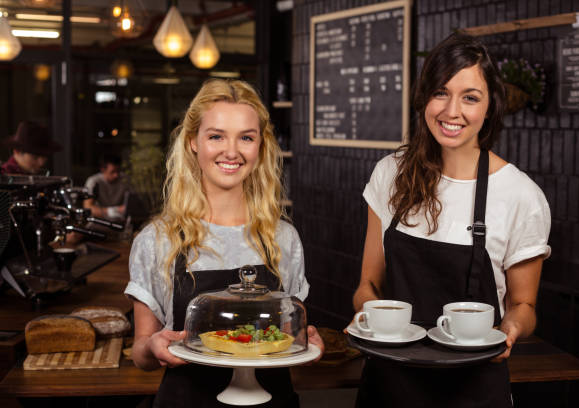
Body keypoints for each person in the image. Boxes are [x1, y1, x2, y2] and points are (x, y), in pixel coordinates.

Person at [352, 33, 551, 407]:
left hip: (474, 388)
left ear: (490, 107)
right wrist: (367, 317)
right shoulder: (390, 174)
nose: (451, 111)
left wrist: (509, 330)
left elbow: (524, 307)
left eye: (470, 97)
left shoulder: (521, 195)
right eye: (440, 92)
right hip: (390, 385)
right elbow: (367, 285)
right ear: (424, 97)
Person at [125, 79, 323, 408]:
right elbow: (140, 353)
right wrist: (153, 346)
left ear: (260, 146)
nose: (231, 151)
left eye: (246, 137)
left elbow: (287, 338)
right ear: (192, 142)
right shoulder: (157, 239)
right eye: (216, 136)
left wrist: (307, 344)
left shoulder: (282, 238)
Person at [84, 154, 129, 221]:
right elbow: (87, 207)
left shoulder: (125, 179)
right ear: (103, 170)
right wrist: (112, 211)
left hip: (121, 220)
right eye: (112, 172)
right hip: (100, 221)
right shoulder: (94, 181)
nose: (116, 175)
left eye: (118, 171)